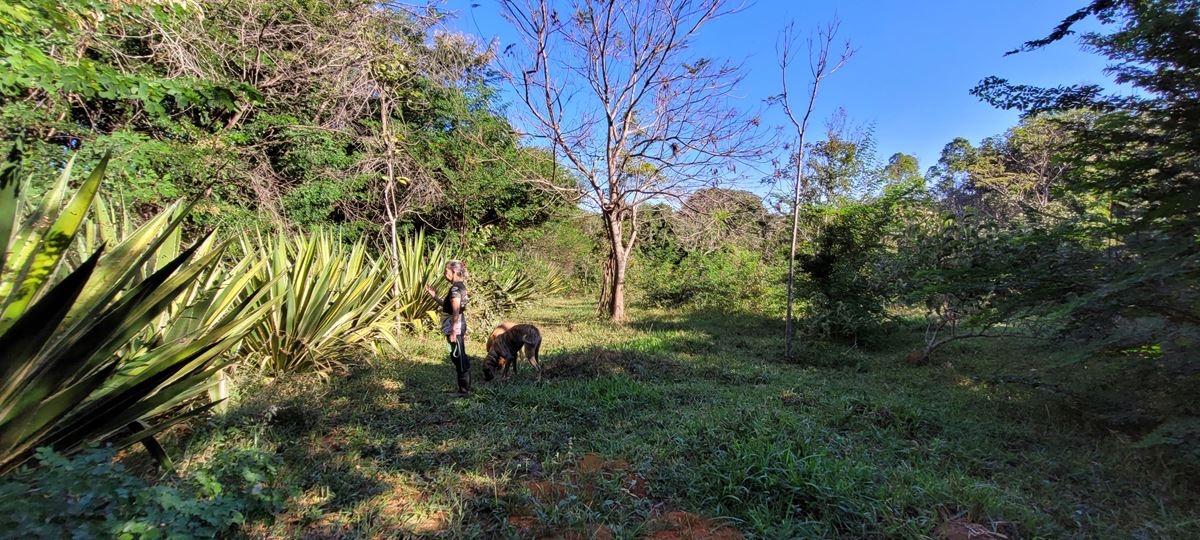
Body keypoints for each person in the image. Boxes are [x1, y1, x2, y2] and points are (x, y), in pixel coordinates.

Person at [425, 259, 471, 395]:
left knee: (459, 357)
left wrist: (453, 331)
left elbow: (456, 311)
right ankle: (464, 389)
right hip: (456, 325)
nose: (445, 274)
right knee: (457, 355)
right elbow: (449, 307)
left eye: (446, 271)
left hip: (455, 326)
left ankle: (463, 391)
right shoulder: (459, 287)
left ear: (455, 272)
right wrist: (435, 297)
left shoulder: (455, 289)